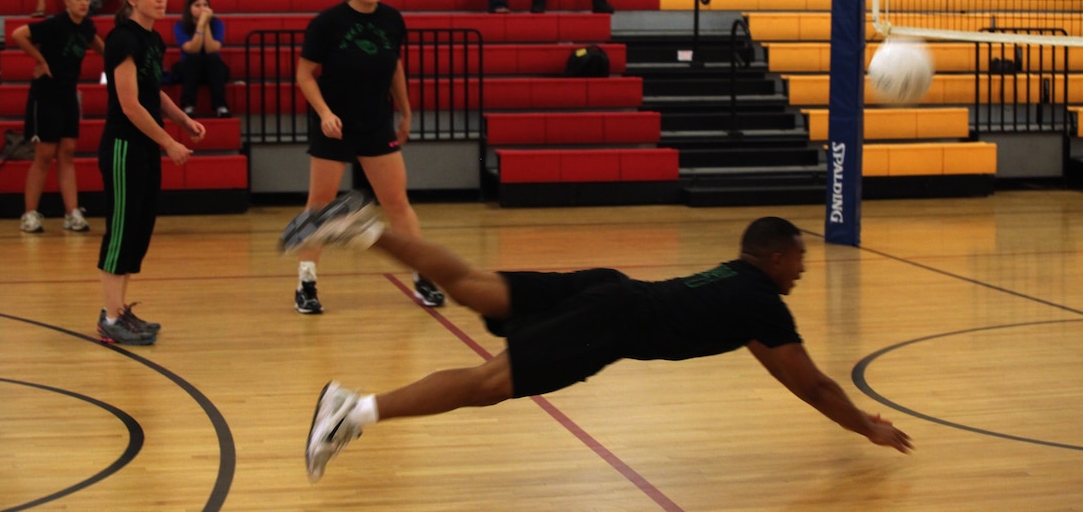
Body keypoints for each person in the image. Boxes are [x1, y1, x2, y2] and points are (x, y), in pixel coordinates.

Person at [296, 204, 913, 481]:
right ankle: (352, 412)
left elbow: (790, 377)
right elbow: (813, 384)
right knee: (487, 384)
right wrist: (867, 427)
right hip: (610, 322)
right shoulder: (761, 303)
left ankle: (362, 226)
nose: (803, 271)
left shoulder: (738, 283)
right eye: (800, 261)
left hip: (607, 288)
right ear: (776, 258)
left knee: (469, 283)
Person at [292, 0, 445, 315]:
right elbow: (303, 74)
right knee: (320, 205)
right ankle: (306, 284)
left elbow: (394, 67)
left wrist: (405, 111)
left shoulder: (392, 20)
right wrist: (325, 113)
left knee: (397, 202)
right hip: (335, 124)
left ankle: (422, 277)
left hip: (376, 121)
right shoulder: (328, 23)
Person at [96, 0, 206, 346]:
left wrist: (183, 120)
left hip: (143, 147)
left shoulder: (152, 40)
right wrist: (169, 142)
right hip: (124, 147)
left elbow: (151, 93)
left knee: (138, 232)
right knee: (121, 232)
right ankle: (109, 317)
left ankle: (120, 310)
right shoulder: (122, 40)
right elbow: (129, 105)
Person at [11, 0, 105, 233]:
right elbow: (19, 34)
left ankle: (72, 213)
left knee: (67, 152)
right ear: (66, 1)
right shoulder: (54, 25)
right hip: (46, 96)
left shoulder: (86, 28)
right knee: (44, 155)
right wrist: (40, 59)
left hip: (68, 96)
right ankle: (29, 214)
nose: (83, 3)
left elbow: (104, 50)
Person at [173, 0, 231, 118]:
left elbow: (211, 49)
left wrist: (206, 25)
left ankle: (220, 106)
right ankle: (188, 105)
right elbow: (192, 49)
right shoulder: (180, 25)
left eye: (205, 5)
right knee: (194, 58)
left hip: (213, 69)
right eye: (197, 5)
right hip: (190, 69)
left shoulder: (217, 24)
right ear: (189, 8)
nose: (202, 9)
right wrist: (200, 25)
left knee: (213, 58)